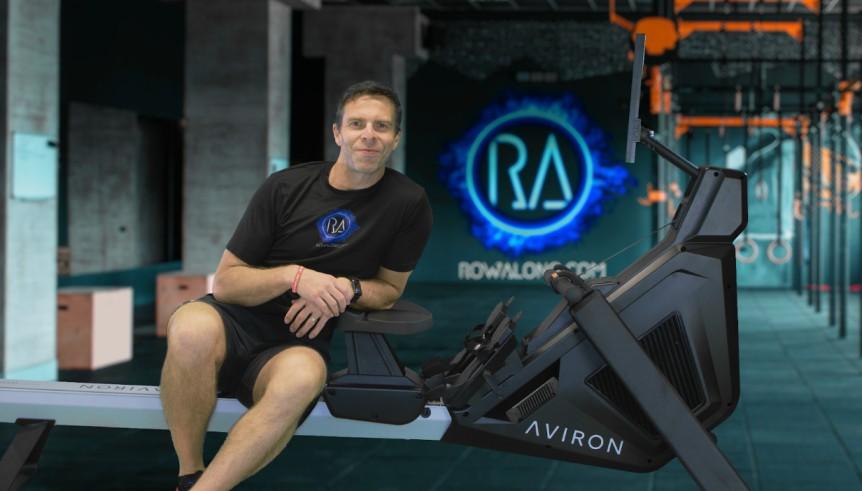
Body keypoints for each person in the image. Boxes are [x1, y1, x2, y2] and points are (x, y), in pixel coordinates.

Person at [160, 80, 433, 491]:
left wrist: (344, 290)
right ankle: (188, 471)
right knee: (189, 327)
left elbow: (390, 289)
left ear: (395, 138)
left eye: (382, 126)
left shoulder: (408, 203)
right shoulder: (285, 188)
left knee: (303, 380)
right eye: (357, 123)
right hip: (232, 319)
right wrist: (296, 277)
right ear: (338, 132)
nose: (368, 135)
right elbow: (228, 283)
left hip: (296, 342)